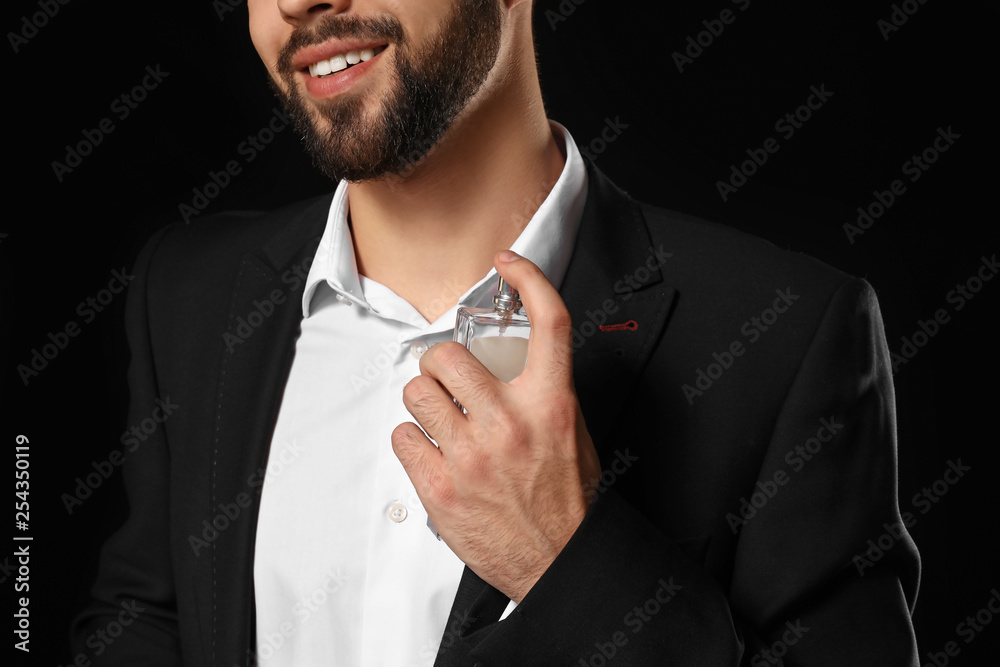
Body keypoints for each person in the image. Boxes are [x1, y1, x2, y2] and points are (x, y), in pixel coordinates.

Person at [72, 0, 921, 664]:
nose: (299, 3)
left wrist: (570, 564)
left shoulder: (786, 336)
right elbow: (145, 618)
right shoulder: (189, 290)